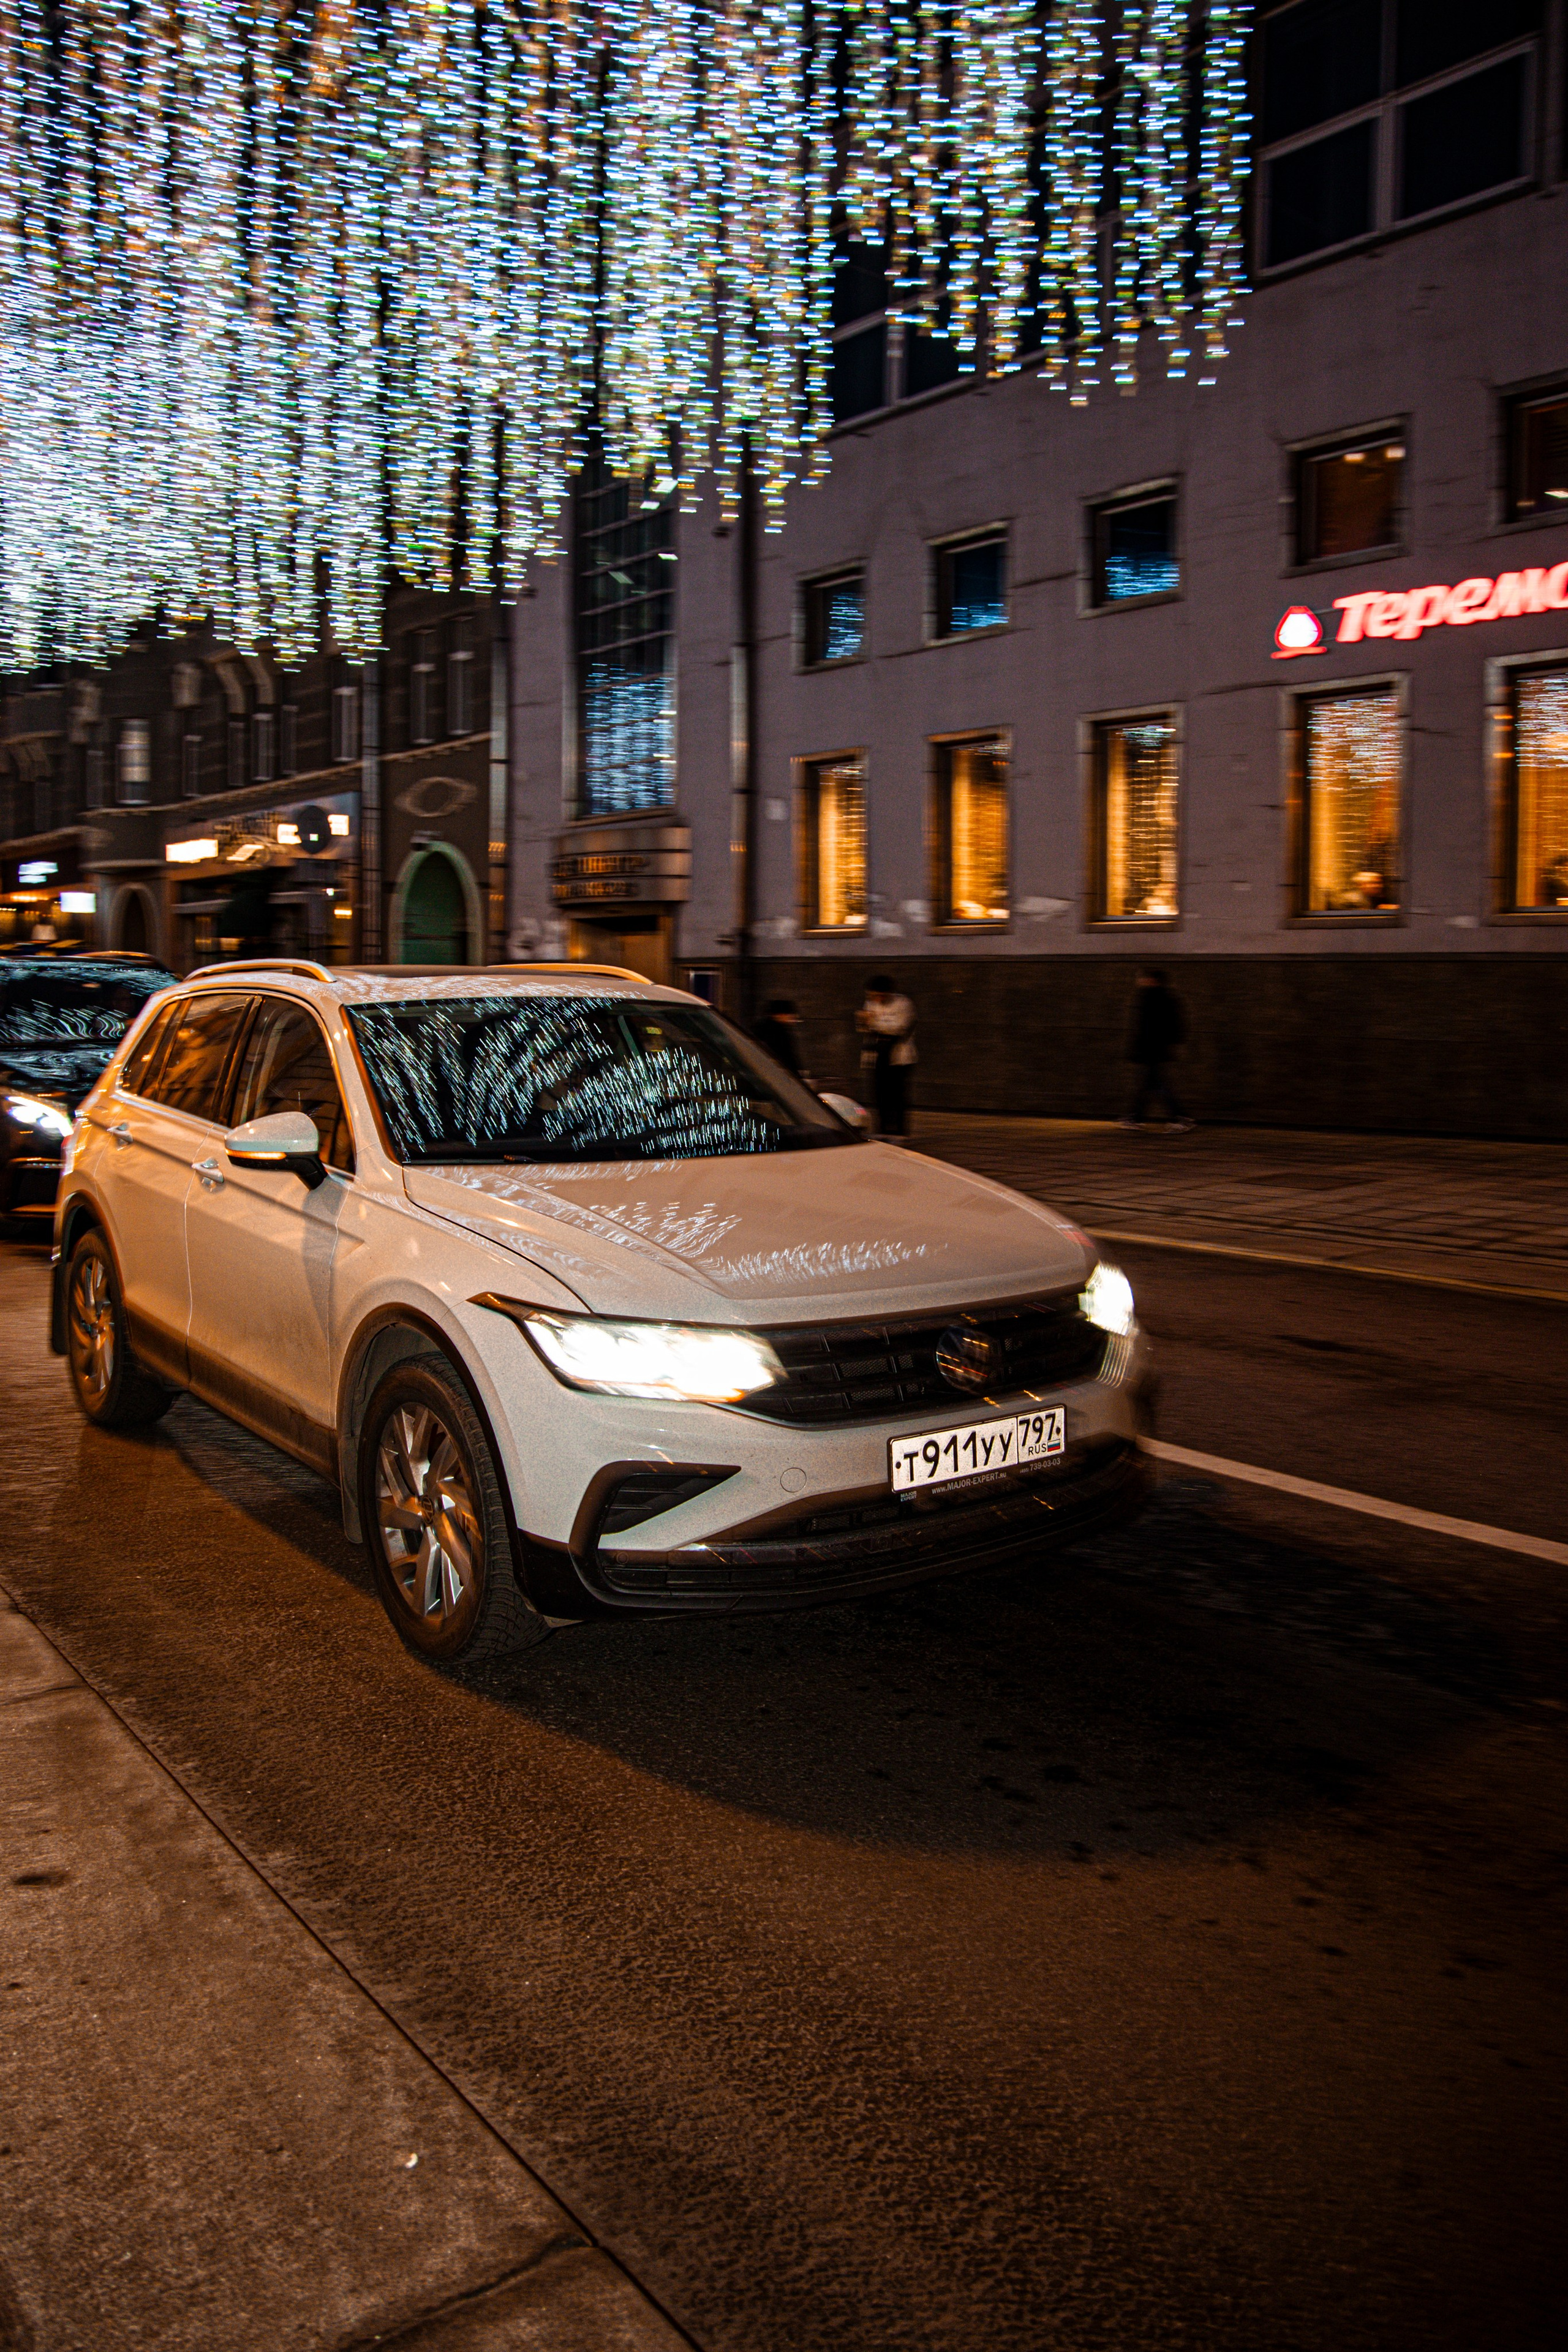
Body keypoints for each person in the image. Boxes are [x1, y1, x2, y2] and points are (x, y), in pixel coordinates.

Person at [1121, 965, 1193, 1132]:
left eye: (1144, 978)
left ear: (1152, 980)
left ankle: (1180, 1117)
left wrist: (1138, 1048)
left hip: (1151, 1049)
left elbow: (1145, 1028)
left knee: (1157, 1084)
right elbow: (1178, 1026)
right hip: (1158, 1048)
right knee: (1150, 1083)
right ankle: (1135, 1117)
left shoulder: (1150, 998)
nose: (1141, 981)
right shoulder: (1167, 997)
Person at [857, 974, 916, 1137]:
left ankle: (900, 1131)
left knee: (897, 1095)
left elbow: (899, 1028)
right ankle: (882, 1130)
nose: (875, 999)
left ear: (888, 993)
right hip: (877, 1056)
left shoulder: (903, 1003)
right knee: (879, 1095)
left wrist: (874, 1024)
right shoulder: (870, 1003)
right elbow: (863, 1028)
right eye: (872, 995)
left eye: (878, 995)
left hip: (899, 1058)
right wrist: (864, 1022)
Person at [753, 997, 804, 1080]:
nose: (793, 1018)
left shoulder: (759, 1028)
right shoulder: (779, 1032)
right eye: (790, 1015)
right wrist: (799, 1078)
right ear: (782, 1015)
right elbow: (788, 1057)